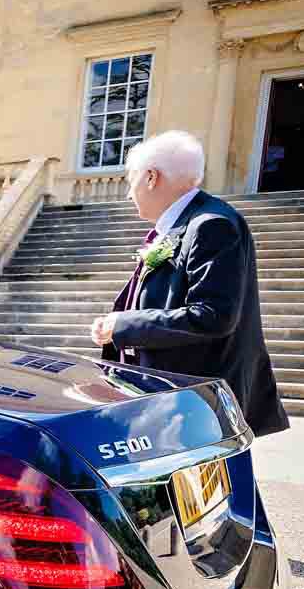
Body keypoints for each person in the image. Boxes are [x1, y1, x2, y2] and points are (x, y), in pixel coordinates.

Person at [90, 130, 289, 436]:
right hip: (179, 399)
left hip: (200, 404)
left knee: (218, 484)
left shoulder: (212, 225)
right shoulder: (189, 223)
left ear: (152, 177)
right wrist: (115, 323)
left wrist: (125, 325)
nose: (129, 193)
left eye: (131, 180)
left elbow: (214, 316)